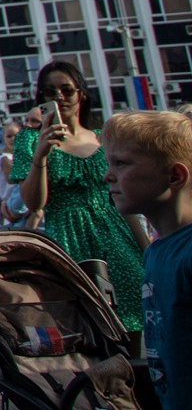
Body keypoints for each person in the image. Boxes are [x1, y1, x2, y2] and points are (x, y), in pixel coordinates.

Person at [8, 59, 148, 333]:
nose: (59, 97)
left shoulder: (102, 137)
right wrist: (41, 155)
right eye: (50, 92)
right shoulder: (30, 139)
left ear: (81, 93)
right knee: (84, 330)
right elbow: (35, 203)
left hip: (116, 238)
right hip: (68, 241)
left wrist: (146, 249)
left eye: (66, 90)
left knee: (131, 323)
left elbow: (122, 200)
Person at [102, 110, 192, 408]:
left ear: (175, 176)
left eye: (122, 163)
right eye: (108, 163)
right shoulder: (156, 250)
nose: (107, 175)